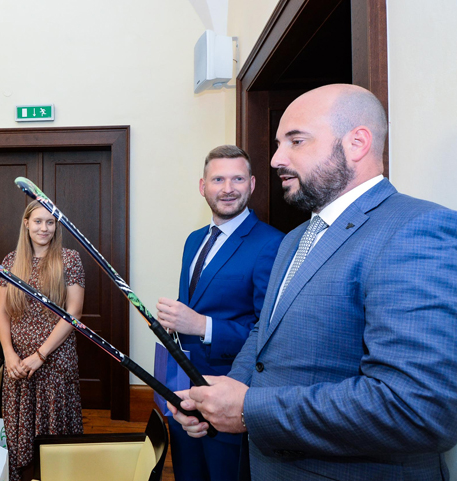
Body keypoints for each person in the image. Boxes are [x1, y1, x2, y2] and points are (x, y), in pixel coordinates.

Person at [169, 84, 457, 480]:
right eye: (277, 143)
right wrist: (219, 395)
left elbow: (418, 407)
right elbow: (263, 336)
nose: (275, 159)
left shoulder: (415, 229)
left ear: (357, 143)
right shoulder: (295, 239)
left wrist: (249, 409)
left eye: (296, 141)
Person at [155, 146, 283, 481]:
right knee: (188, 472)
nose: (228, 188)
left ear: (252, 184)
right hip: (183, 389)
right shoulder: (193, 240)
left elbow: (270, 334)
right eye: (218, 179)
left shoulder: (272, 244)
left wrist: (201, 326)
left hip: (230, 390)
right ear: (203, 186)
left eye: (237, 178)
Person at [0, 199, 85, 481]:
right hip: (18, 366)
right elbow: (2, 311)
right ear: (26, 223)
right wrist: (9, 354)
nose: (44, 228)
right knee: (19, 434)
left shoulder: (69, 259)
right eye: (37, 221)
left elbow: (74, 312)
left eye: (50, 222)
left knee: (53, 437)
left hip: (55, 363)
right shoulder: (11, 261)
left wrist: (41, 354)